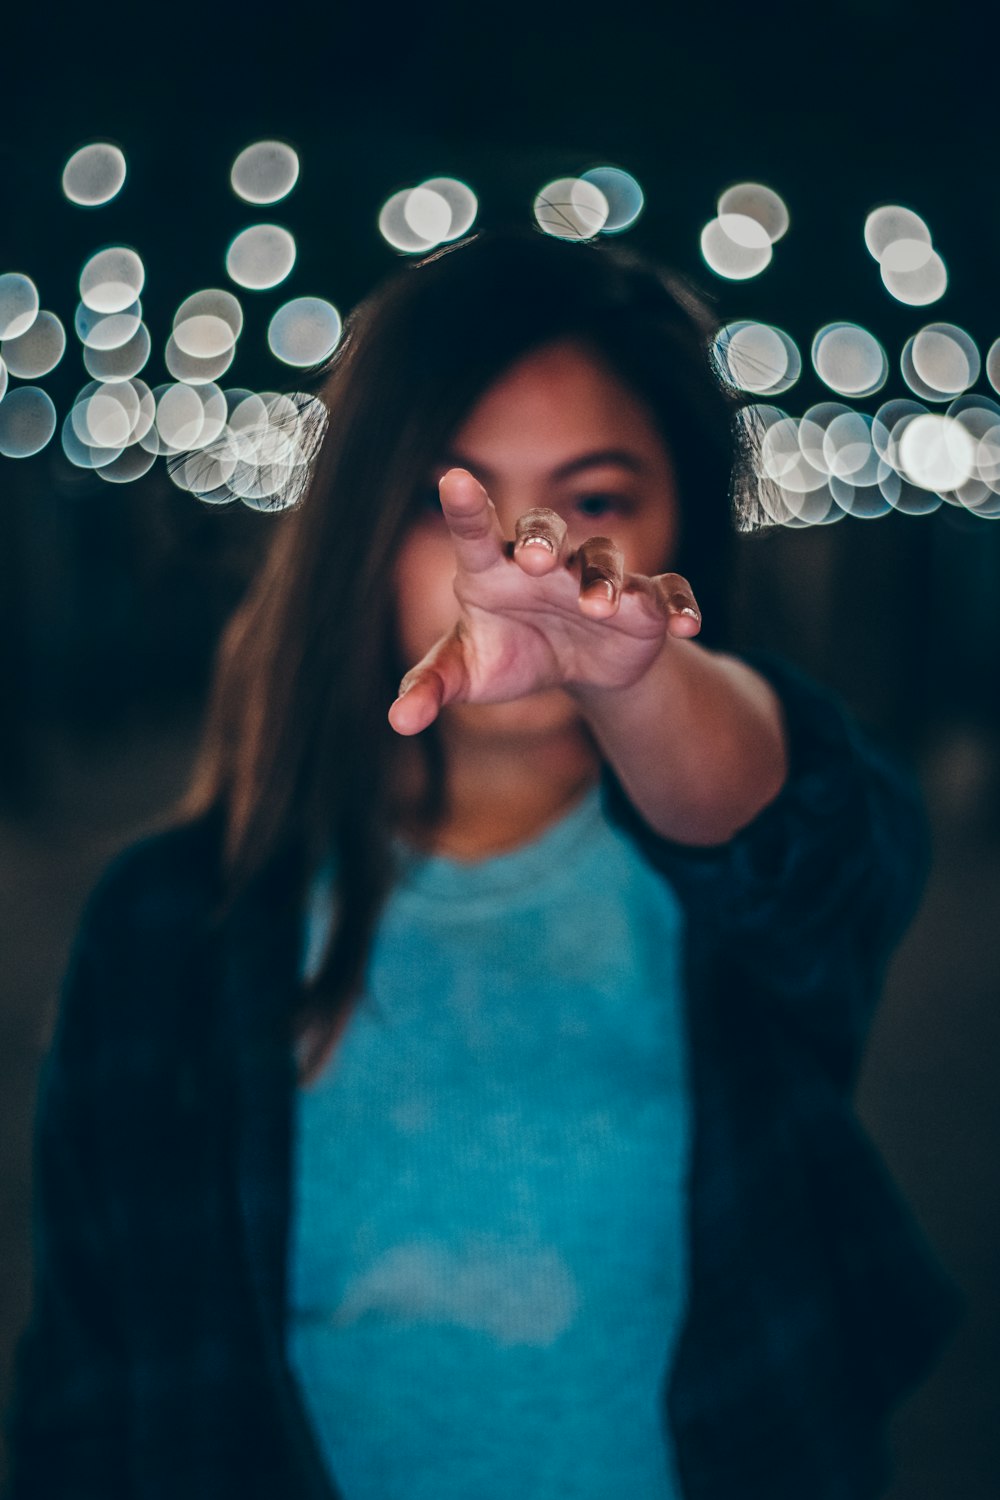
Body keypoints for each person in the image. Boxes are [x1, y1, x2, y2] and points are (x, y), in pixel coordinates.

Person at [7, 228, 963, 1499]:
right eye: (448, 500)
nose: (530, 562)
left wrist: (633, 671)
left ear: (686, 521)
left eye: (599, 499)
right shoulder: (170, 924)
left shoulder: (738, 862)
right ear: (363, 529)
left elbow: (796, 825)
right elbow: (89, 1391)